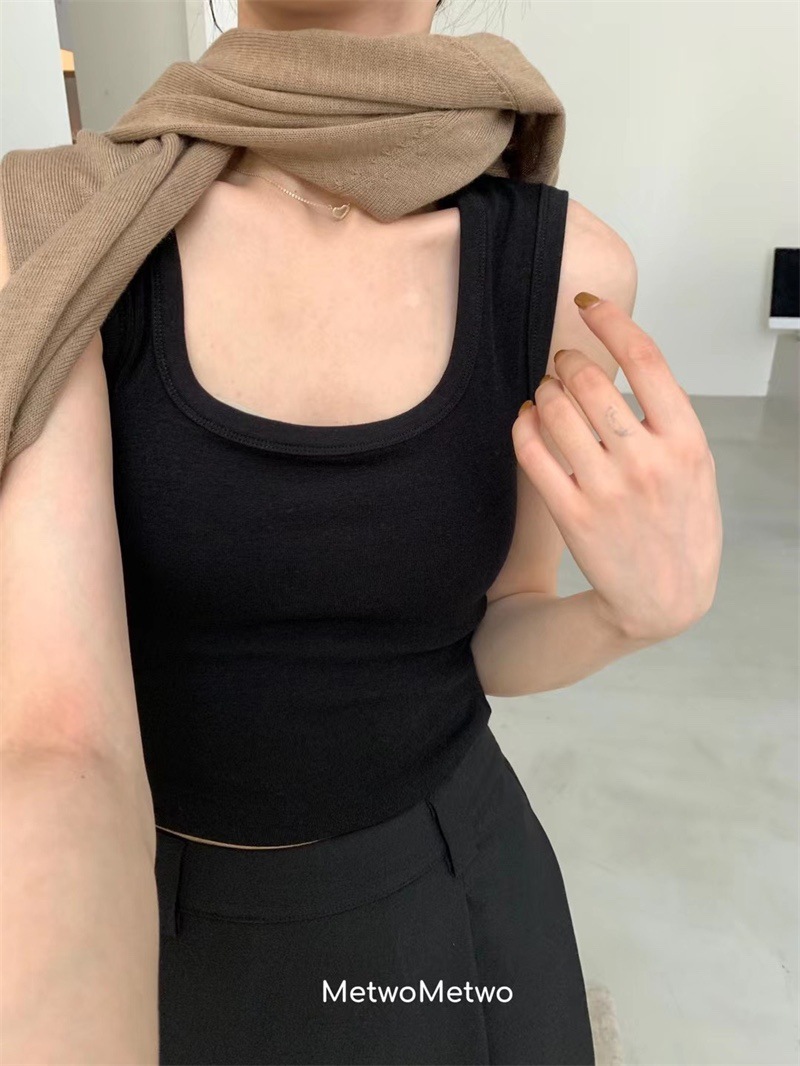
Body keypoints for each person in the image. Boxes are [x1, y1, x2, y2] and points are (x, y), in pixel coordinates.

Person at [0, 1, 722, 1063]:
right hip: (127, 913)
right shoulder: (63, 230)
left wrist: (631, 617)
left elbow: (497, 627)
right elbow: (55, 743)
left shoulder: (564, 265)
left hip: (441, 900)